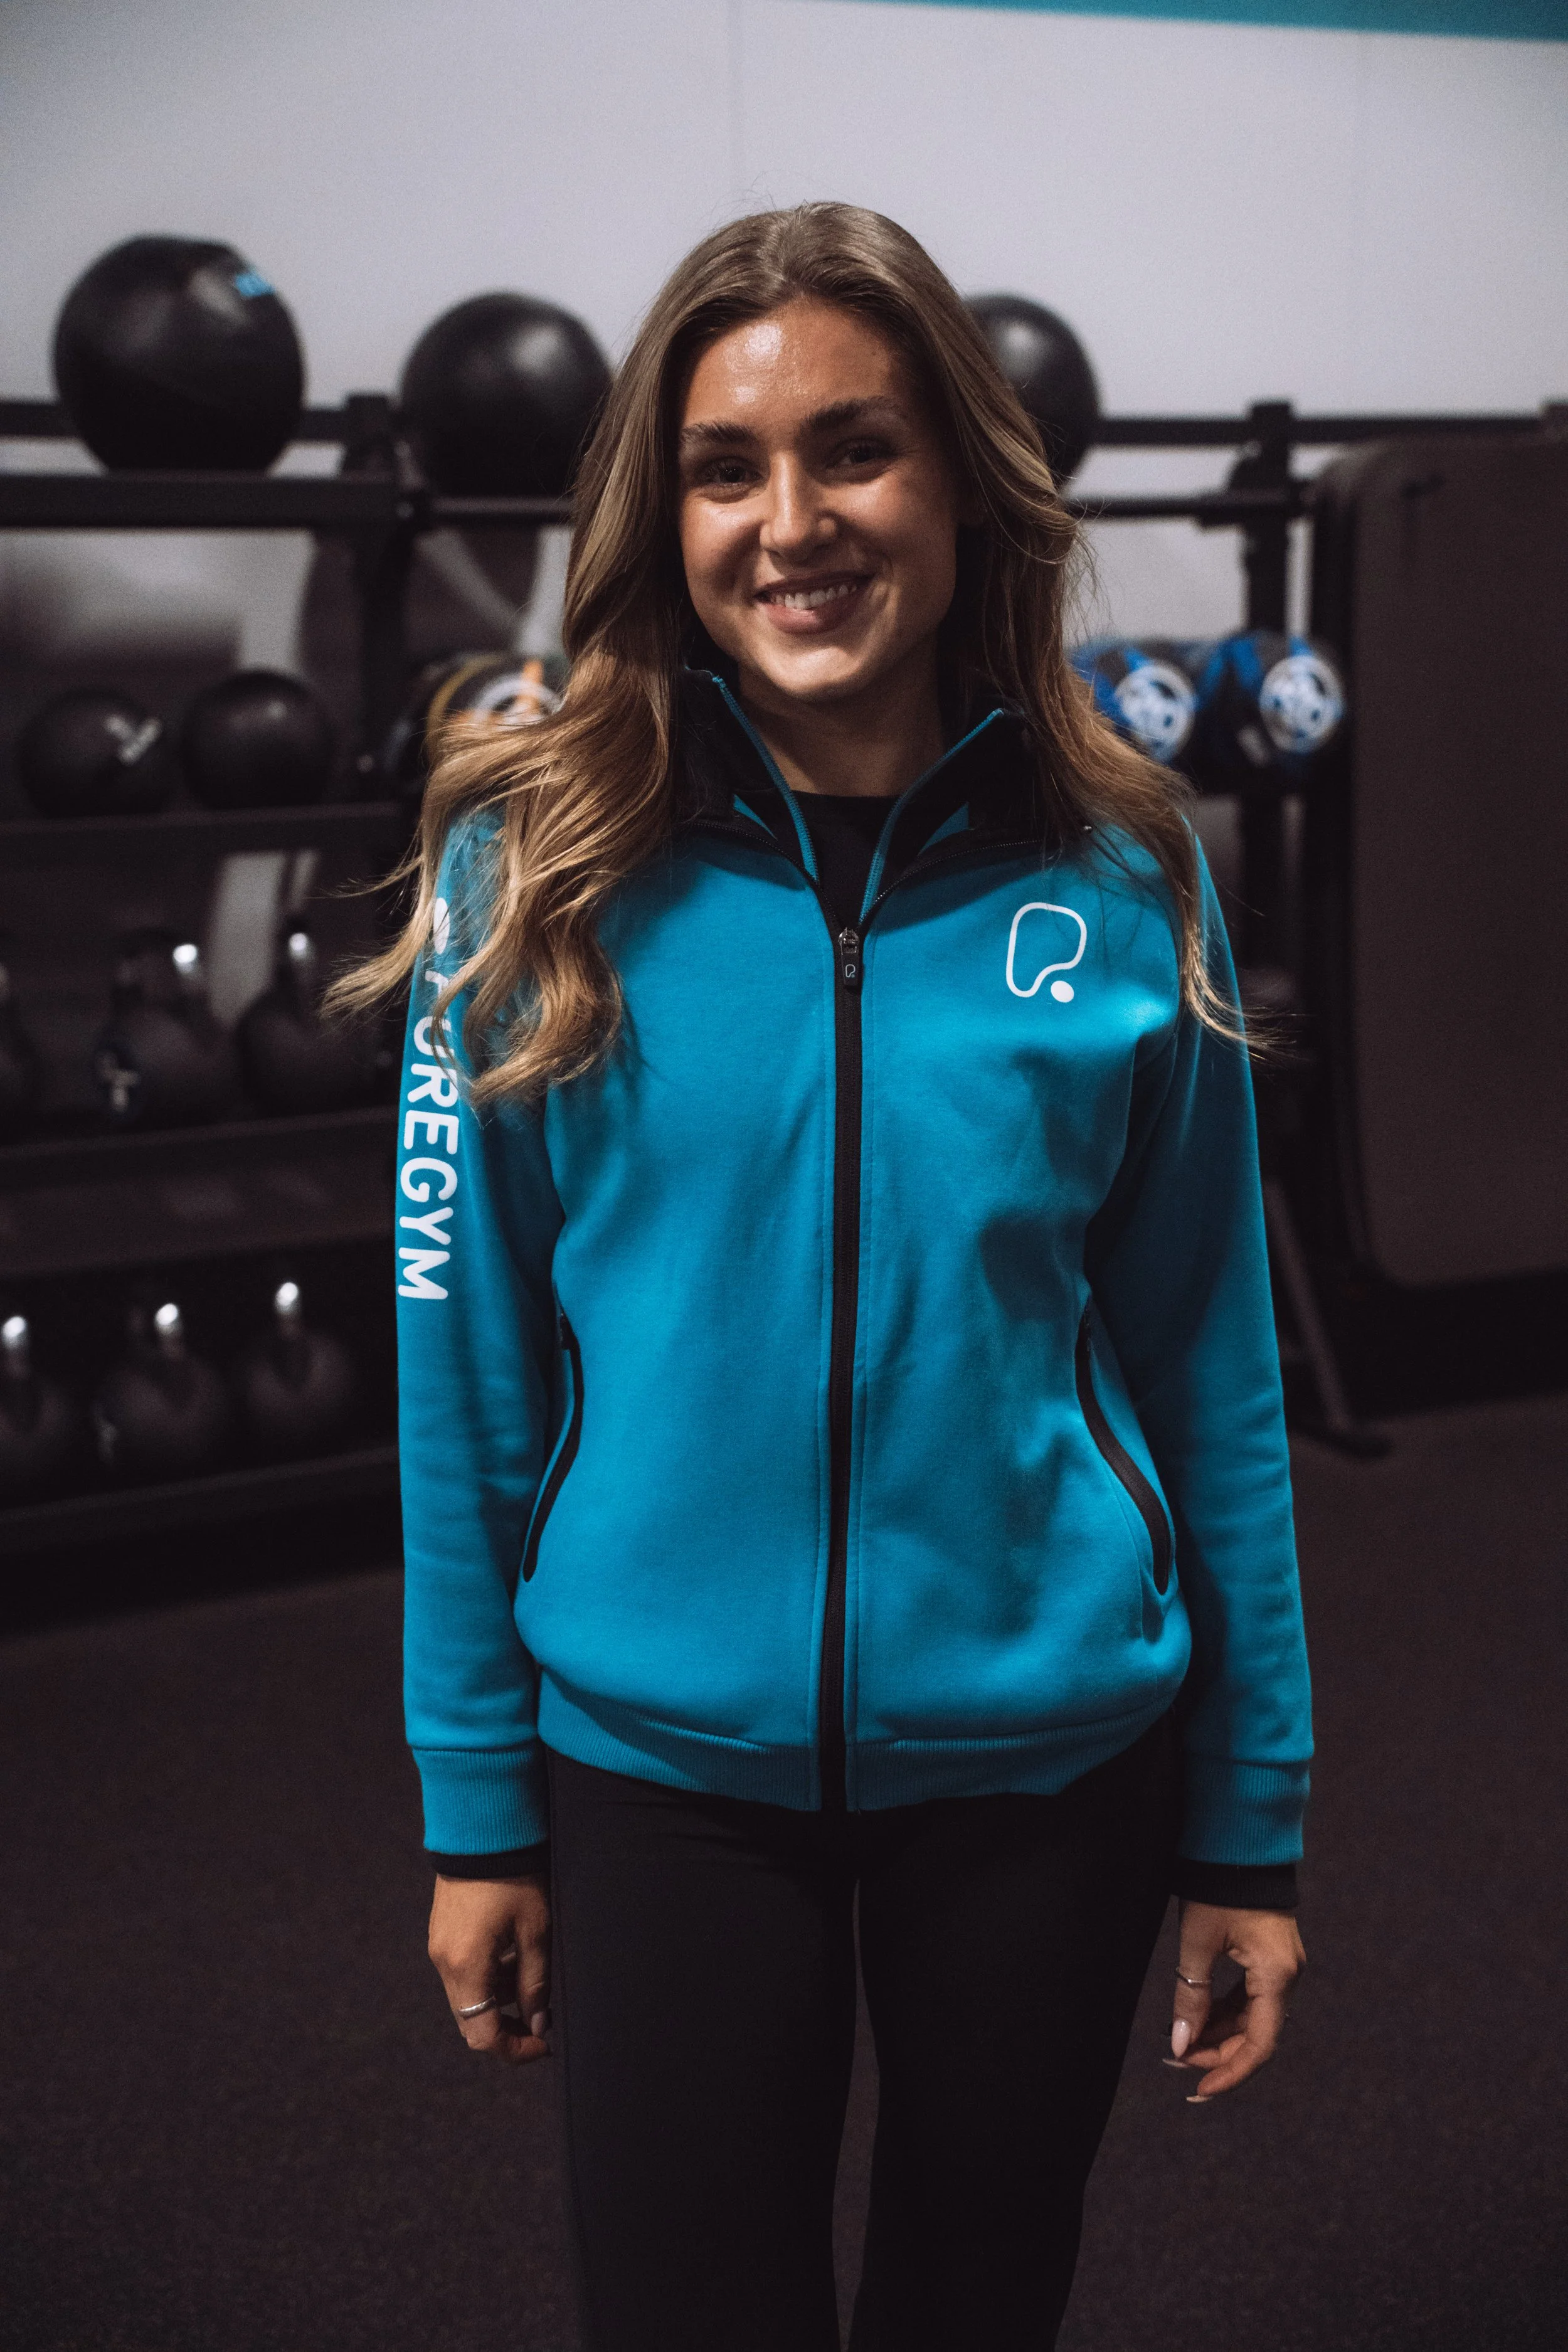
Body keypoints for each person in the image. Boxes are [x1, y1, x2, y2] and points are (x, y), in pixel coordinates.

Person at [348, 203, 1310, 2352]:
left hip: (1046, 1755)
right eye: (725, 468)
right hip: (661, 1769)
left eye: (855, 450)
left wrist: (1248, 1821)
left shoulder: (1126, 864)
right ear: (662, 513)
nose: (791, 523)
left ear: (962, 485)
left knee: (979, 2299)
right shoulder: (531, 872)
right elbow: (463, 1371)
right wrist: (476, 1801)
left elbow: (1208, 1360)